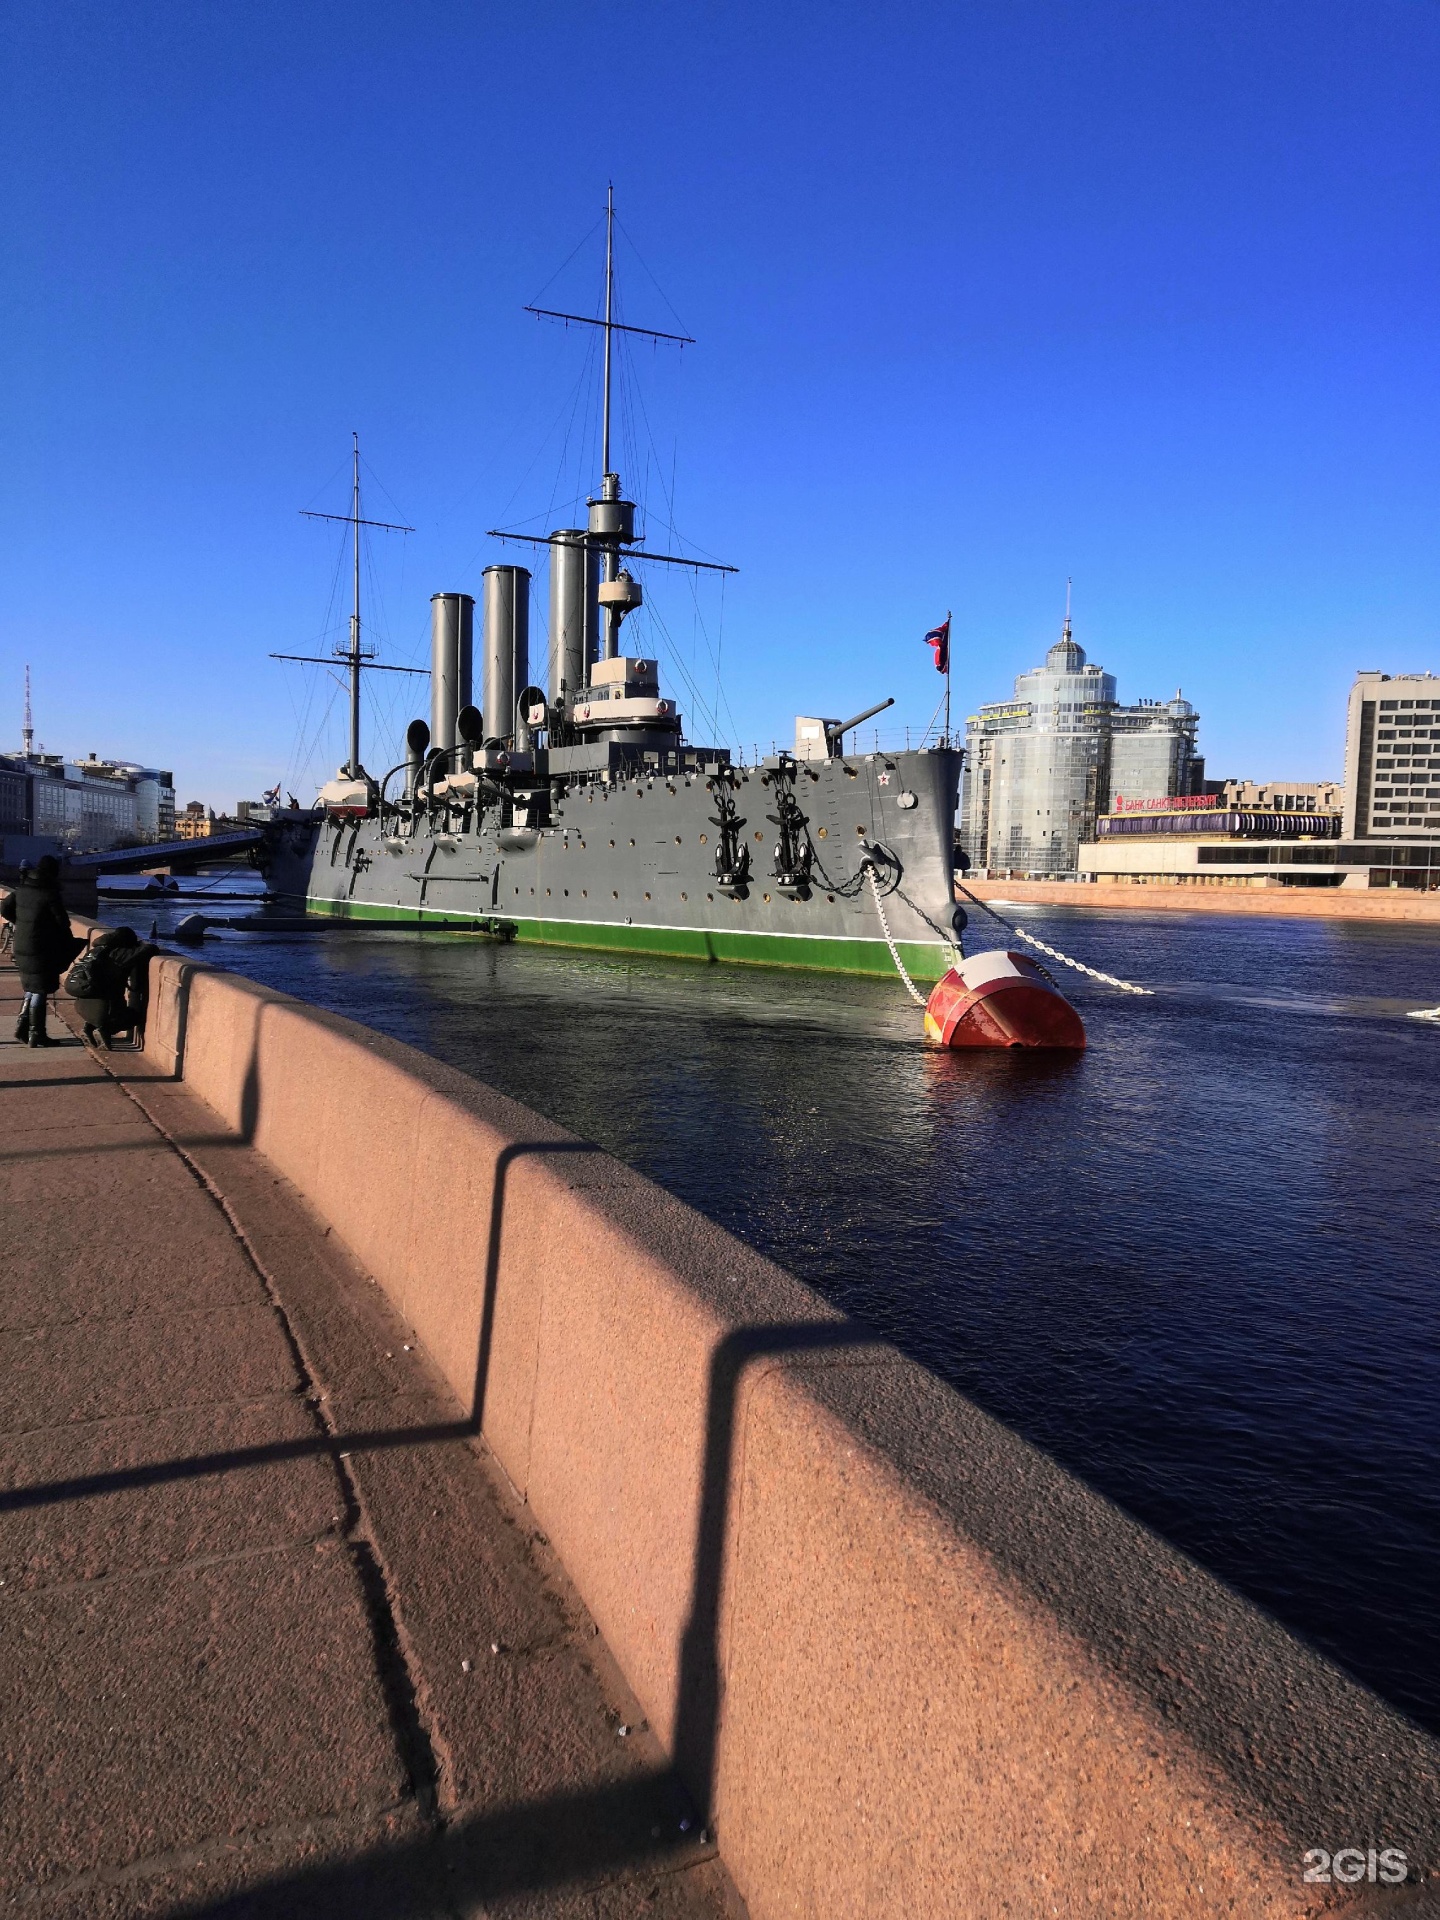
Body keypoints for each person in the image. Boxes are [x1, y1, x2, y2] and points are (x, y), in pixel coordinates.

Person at [1, 855, 79, 1047]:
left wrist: (21, 923)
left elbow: (4, 909)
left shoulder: (21, 890)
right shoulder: (50, 894)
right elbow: (63, 923)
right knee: (40, 990)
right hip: (42, 947)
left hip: (21, 944)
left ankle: (22, 1027)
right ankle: (37, 1033)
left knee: (31, 987)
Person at [72, 925, 159, 1049]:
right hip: (103, 1010)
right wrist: (140, 945)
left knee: (100, 1009)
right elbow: (150, 949)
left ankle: (90, 1026)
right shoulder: (120, 954)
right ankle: (105, 1029)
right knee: (135, 1017)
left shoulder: (96, 951)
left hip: (81, 1007)